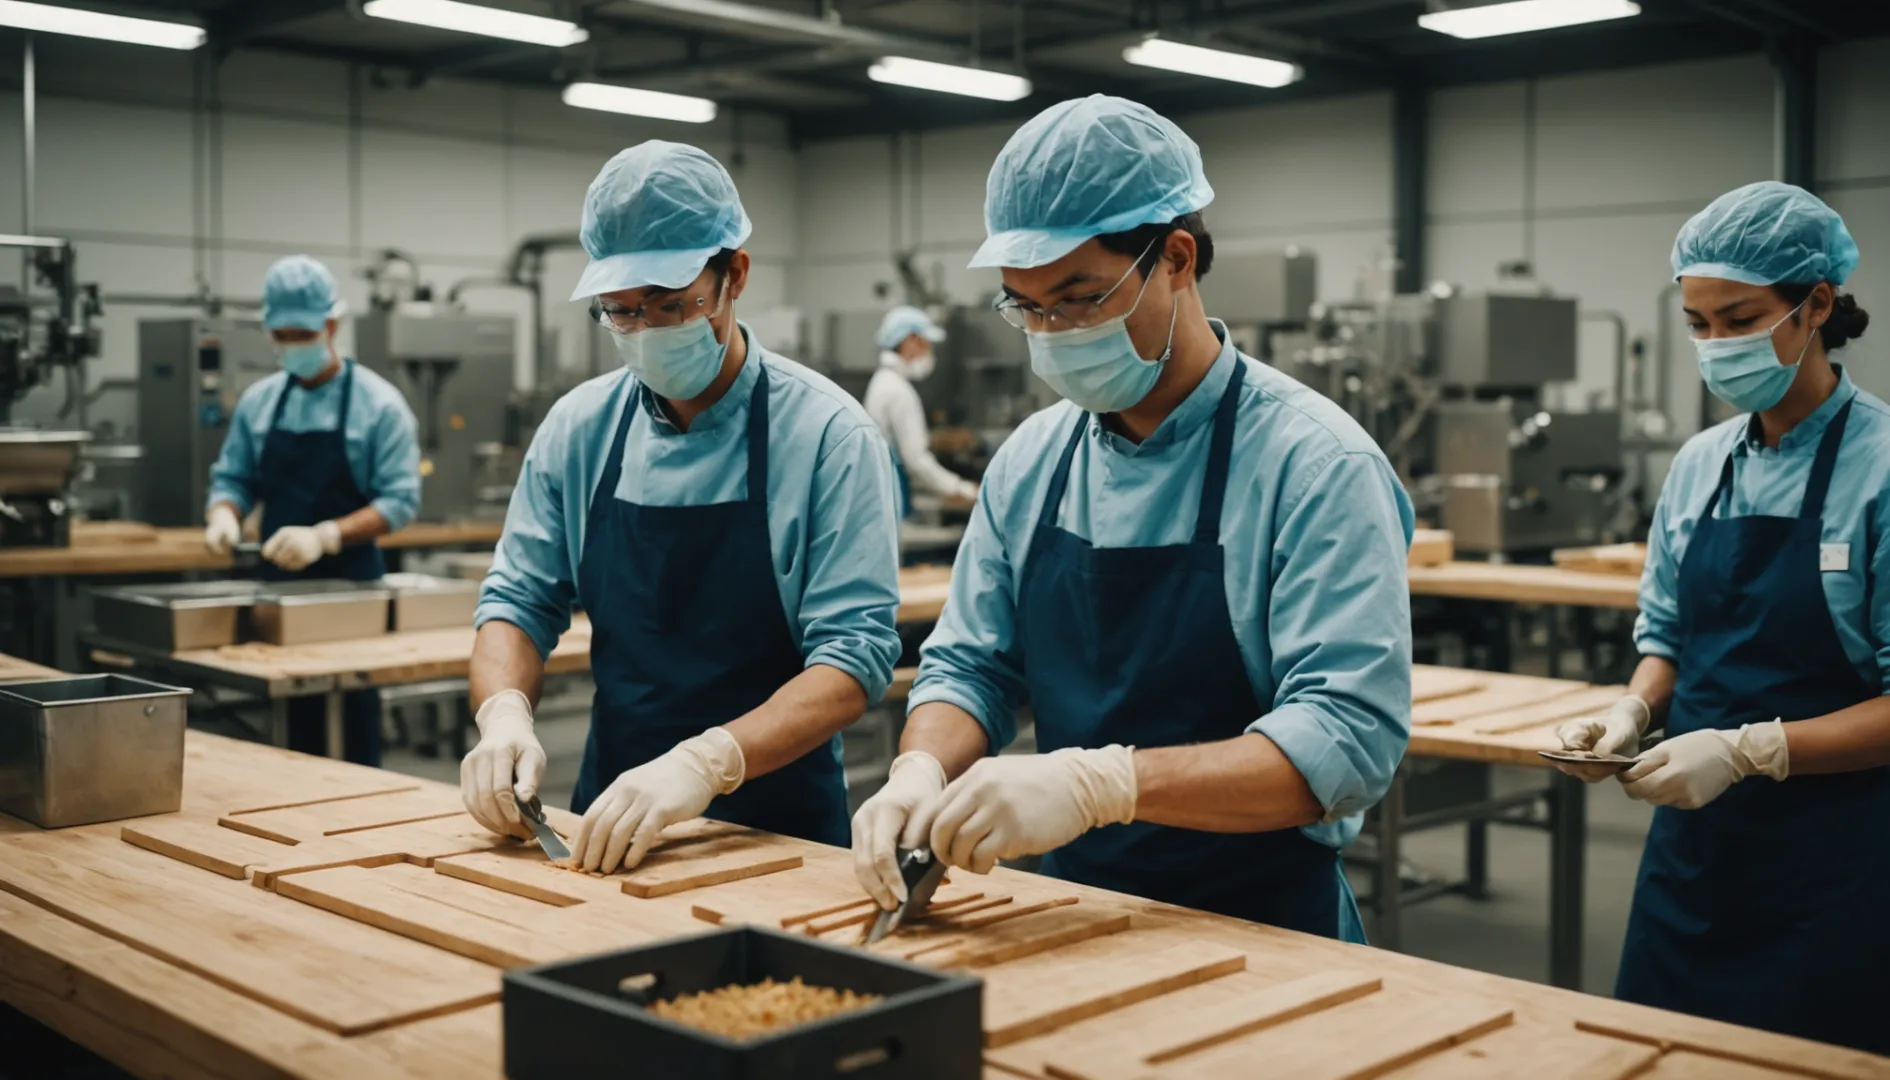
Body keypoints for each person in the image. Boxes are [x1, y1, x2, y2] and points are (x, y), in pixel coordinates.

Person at [849, 96, 1414, 940]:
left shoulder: (1316, 464)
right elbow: (971, 667)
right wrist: (920, 767)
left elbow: (1344, 742)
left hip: (1262, 926)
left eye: (1078, 298)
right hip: (1071, 915)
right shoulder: (1033, 463)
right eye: (1026, 307)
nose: (1052, 332)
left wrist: (1100, 787)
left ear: (1177, 258)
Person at [462, 141, 903, 875]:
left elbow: (854, 660)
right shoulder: (581, 429)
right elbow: (517, 598)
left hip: (780, 833)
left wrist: (706, 764)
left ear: (736, 276)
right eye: (622, 313)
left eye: (673, 306)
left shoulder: (828, 435)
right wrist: (503, 714)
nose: (648, 331)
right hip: (608, 824)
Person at [1551, 181, 1887, 1052]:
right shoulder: (1700, 465)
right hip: (1694, 858)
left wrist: (1751, 749)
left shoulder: (1882, 470)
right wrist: (1631, 710)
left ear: (1815, 305)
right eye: (1698, 324)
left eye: (1738, 320)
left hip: (1835, 859)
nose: (1715, 346)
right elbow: (1668, 638)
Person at [203, 254, 422, 766]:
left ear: (331, 325)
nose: (292, 345)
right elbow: (233, 475)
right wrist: (224, 513)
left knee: (352, 727)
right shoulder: (260, 403)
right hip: (277, 588)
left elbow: (399, 501)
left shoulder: (378, 405)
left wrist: (324, 536)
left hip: (352, 592)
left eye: (302, 333)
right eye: (282, 335)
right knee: (286, 729)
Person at [864, 305, 978, 516]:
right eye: (927, 344)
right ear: (911, 341)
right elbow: (916, 460)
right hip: (894, 493)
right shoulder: (898, 391)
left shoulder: (882, 381)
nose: (929, 353)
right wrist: (961, 489)